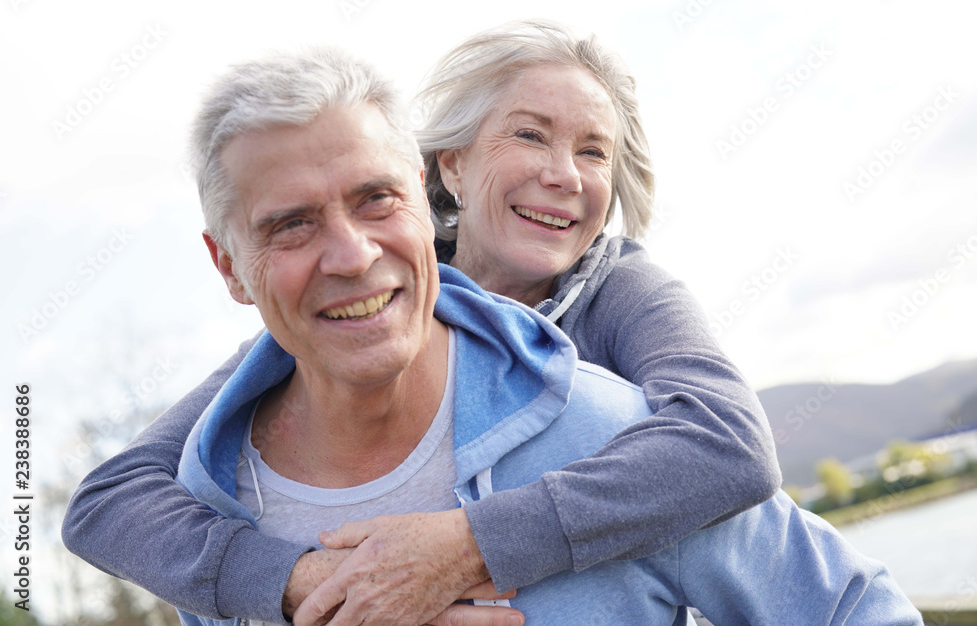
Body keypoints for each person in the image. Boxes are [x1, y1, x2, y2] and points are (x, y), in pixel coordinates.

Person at [147, 44, 917, 626]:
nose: (351, 257)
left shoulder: (618, 422)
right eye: (291, 223)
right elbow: (105, 499)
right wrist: (305, 584)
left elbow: (739, 455)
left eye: (593, 152)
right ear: (447, 171)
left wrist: (468, 544)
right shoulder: (215, 492)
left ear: (413, 197)